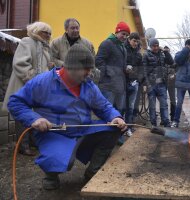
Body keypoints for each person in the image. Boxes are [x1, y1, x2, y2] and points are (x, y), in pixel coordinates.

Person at [7, 44, 127, 190]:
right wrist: (34, 118)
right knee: (60, 161)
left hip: (83, 130)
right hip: (55, 134)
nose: (90, 73)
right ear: (71, 67)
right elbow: (15, 102)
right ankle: (51, 174)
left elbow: (104, 107)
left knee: (114, 129)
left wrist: (115, 117)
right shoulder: (43, 82)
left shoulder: (88, 86)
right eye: (86, 68)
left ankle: (93, 172)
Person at [3, 21, 53, 156]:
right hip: (24, 86)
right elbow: (20, 63)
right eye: (45, 32)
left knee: (34, 115)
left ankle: (32, 142)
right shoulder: (27, 41)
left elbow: (42, 66)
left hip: (37, 88)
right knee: (22, 116)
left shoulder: (43, 46)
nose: (48, 35)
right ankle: (22, 146)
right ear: (36, 31)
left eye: (49, 33)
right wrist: (34, 80)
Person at [95, 22, 130, 113]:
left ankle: (117, 128)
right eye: (123, 34)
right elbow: (98, 61)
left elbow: (120, 65)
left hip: (119, 86)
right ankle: (106, 128)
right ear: (117, 32)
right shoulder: (107, 43)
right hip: (108, 86)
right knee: (106, 112)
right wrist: (109, 73)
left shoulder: (123, 48)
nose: (125, 37)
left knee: (118, 113)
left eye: (127, 35)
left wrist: (126, 68)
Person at [143, 38, 174, 127]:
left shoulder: (162, 54)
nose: (156, 48)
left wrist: (166, 52)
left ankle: (166, 123)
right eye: (154, 46)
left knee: (164, 104)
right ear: (150, 46)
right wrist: (147, 84)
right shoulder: (146, 55)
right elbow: (144, 71)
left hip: (162, 84)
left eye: (157, 45)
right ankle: (153, 124)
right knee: (152, 106)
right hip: (151, 85)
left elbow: (171, 62)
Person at [171, 39, 190, 128]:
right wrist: (185, 51)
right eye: (187, 46)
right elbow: (178, 61)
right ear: (185, 46)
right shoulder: (180, 53)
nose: (189, 48)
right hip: (181, 83)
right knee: (179, 102)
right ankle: (176, 121)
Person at [123, 32, 143, 136]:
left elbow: (141, 69)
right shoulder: (123, 50)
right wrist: (125, 68)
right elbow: (120, 63)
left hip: (134, 83)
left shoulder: (139, 54)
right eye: (134, 41)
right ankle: (121, 128)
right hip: (123, 82)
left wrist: (138, 80)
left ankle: (129, 128)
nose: (135, 43)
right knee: (122, 106)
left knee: (130, 107)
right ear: (129, 39)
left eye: (137, 41)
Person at [163, 46, 176, 123]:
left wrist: (174, 75)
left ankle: (173, 117)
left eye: (167, 51)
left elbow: (176, 71)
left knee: (173, 100)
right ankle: (164, 118)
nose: (166, 52)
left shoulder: (172, 61)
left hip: (172, 83)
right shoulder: (162, 60)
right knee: (163, 101)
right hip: (163, 83)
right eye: (165, 51)